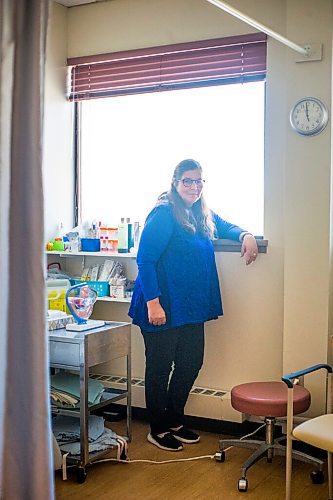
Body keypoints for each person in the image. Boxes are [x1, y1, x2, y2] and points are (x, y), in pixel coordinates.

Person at [128, 159, 258, 452]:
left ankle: (174, 420)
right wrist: (153, 304)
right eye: (188, 180)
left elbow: (224, 225)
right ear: (175, 182)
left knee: (189, 364)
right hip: (160, 305)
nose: (194, 186)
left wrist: (245, 235)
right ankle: (157, 428)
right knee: (160, 369)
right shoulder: (164, 213)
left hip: (190, 307)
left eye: (199, 181)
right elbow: (145, 260)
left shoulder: (200, 212)